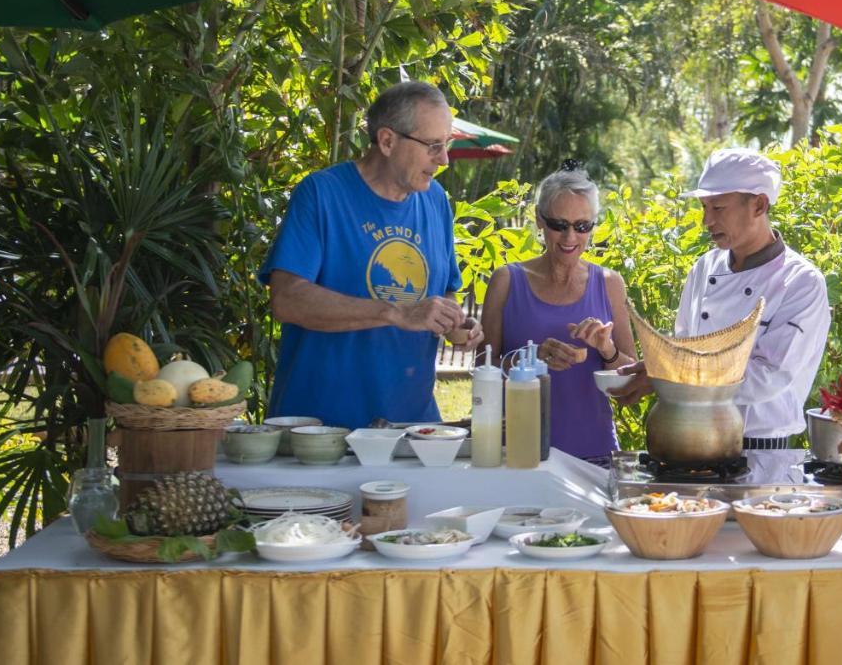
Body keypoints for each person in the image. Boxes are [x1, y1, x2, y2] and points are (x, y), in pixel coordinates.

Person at [259, 81, 483, 429]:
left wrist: (453, 323)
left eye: (447, 144)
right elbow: (287, 299)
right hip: (317, 432)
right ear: (387, 141)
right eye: (433, 145)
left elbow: (444, 292)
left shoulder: (436, 200)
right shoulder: (321, 194)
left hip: (409, 429)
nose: (444, 159)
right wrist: (396, 312)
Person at [614, 148, 830, 449]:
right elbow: (685, 348)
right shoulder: (704, 268)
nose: (706, 221)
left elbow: (767, 377)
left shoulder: (801, 282)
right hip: (691, 442)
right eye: (704, 207)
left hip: (761, 454)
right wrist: (658, 366)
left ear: (759, 204)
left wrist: (667, 377)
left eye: (718, 208)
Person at [481, 162, 637, 461]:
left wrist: (607, 349)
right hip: (517, 453)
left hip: (594, 454)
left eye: (582, 226)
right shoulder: (507, 280)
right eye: (559, 225)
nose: (570, 237)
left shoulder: (609, 283)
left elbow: (629, 377)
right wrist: (531, 358)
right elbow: (480, 366)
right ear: (540, 221)